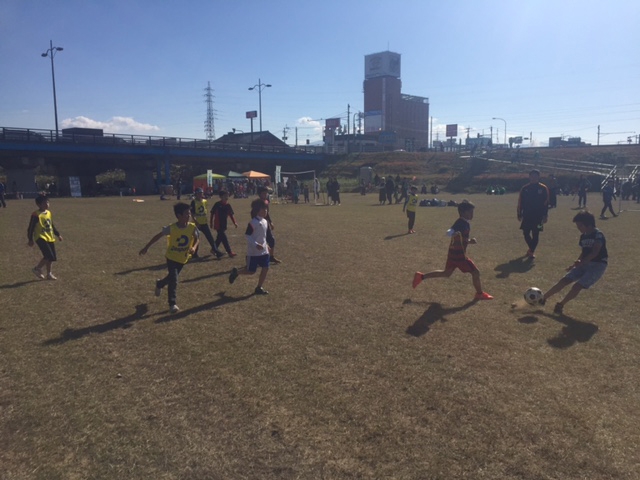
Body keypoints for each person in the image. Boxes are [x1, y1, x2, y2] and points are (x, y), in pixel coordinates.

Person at [412, 201, 493, 300]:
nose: (472, 214)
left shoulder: (466, 223)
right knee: (475, 272)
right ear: (463, 212)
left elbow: (461, 238)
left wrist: (469, 241)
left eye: (473, 212)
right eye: (470, 212)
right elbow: (449, 231)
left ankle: (421, 277)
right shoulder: (460, 223)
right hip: (459, 256)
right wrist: (451, 234)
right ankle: (479, 294)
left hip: (452, 254)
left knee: (446, 273)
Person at [540, 211, 607, 314]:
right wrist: (576, 263)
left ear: (588, 224)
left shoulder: (598, 234)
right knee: (565, 280)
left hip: (597, 265)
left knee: (577, 286)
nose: (578, 228)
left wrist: (582, 262)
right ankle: (543, 298)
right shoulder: (583, 236)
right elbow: (584, 252)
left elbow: (595, 252)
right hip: (584, 263)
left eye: (580, 225)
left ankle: (561, 304)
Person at [139, 202, 199, 314]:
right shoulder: (172, 228)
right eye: (186, 214)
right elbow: (158, 236)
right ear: (179, 215)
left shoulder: (192, 227)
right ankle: (172, 304)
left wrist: (194, 247)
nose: (189, 216)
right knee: (174, 279)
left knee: (171, 278)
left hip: (183, 258)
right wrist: (146, 247)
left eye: (189, 213)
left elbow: (197, 238)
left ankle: (160, 284)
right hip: (171, 257)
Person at [228, 199, 271, 295]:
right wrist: (256, 244)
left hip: (264, 251)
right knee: (251, 271)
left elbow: (263, 236)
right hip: (253, 252)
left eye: (266, 209)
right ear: (257, 210)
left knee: (266, 267)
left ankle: (259, 287)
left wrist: (266, 245)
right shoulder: (253, 223)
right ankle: (236, 273)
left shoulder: (265, 221)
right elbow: (247, 236)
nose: (265, 211)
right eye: (263, 209)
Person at [28, 194, 63, 280]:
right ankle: (37, 268)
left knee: (51, 257)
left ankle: (49, 274)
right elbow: (31, 228)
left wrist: (58, 234)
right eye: (44, 203)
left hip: (49, 237)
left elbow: (51, 225)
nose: (47, 204)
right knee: (48, 255)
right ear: (39, 205)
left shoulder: (48, 213)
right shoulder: (36, 215)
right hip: (40, 237)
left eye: (47, 202)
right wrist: (30, 239)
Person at [517, 169, 550, 259]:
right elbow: (520, 202)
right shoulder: (525, 188)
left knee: (536, 233)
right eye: (532, 176)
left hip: (539, 217)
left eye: (535, 176)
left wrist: (545, 215)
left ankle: (531, 251)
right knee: (525, 233)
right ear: (529, 177)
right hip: (527, 215)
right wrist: (519, 214)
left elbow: (546, 203)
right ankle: (531, 249)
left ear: (539, 177)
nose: (533, 178)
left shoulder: (543, 188)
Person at [190, 187, 223, 259]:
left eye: (201, 193)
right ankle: (194, 253)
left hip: (204, 223)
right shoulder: (194, 202)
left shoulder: (205, 201)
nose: (200, 195)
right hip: (197, 224)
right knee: (196, 239)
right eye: (199, 193)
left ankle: (216, 251)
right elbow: (192, 213)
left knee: (210, 238)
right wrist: (195, 221)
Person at [210, 189, 238, 257]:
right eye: (225, 195)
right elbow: (212, 214)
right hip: (218, 224)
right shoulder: (217, 204)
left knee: (220, 238)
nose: (227, 197)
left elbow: (231, 215)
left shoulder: (228, 205)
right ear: (221, 197)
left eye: (227, 195)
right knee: (224, 238)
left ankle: (213, 249)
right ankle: (229, 252)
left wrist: (235, 222)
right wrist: (211, 222)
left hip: (224, 224)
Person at [257, 186, 281, 263]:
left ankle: (271, 257)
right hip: (259, 225)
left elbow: (267, 214)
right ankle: (253, 258)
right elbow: (253, 214)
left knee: (271, 240)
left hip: (266, 224)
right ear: (260, 194)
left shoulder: (266, 201)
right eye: (264, 193)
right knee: (260, 242)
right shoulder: (257, 203)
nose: (265, 194)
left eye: (266, 193)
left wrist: (270, 222)